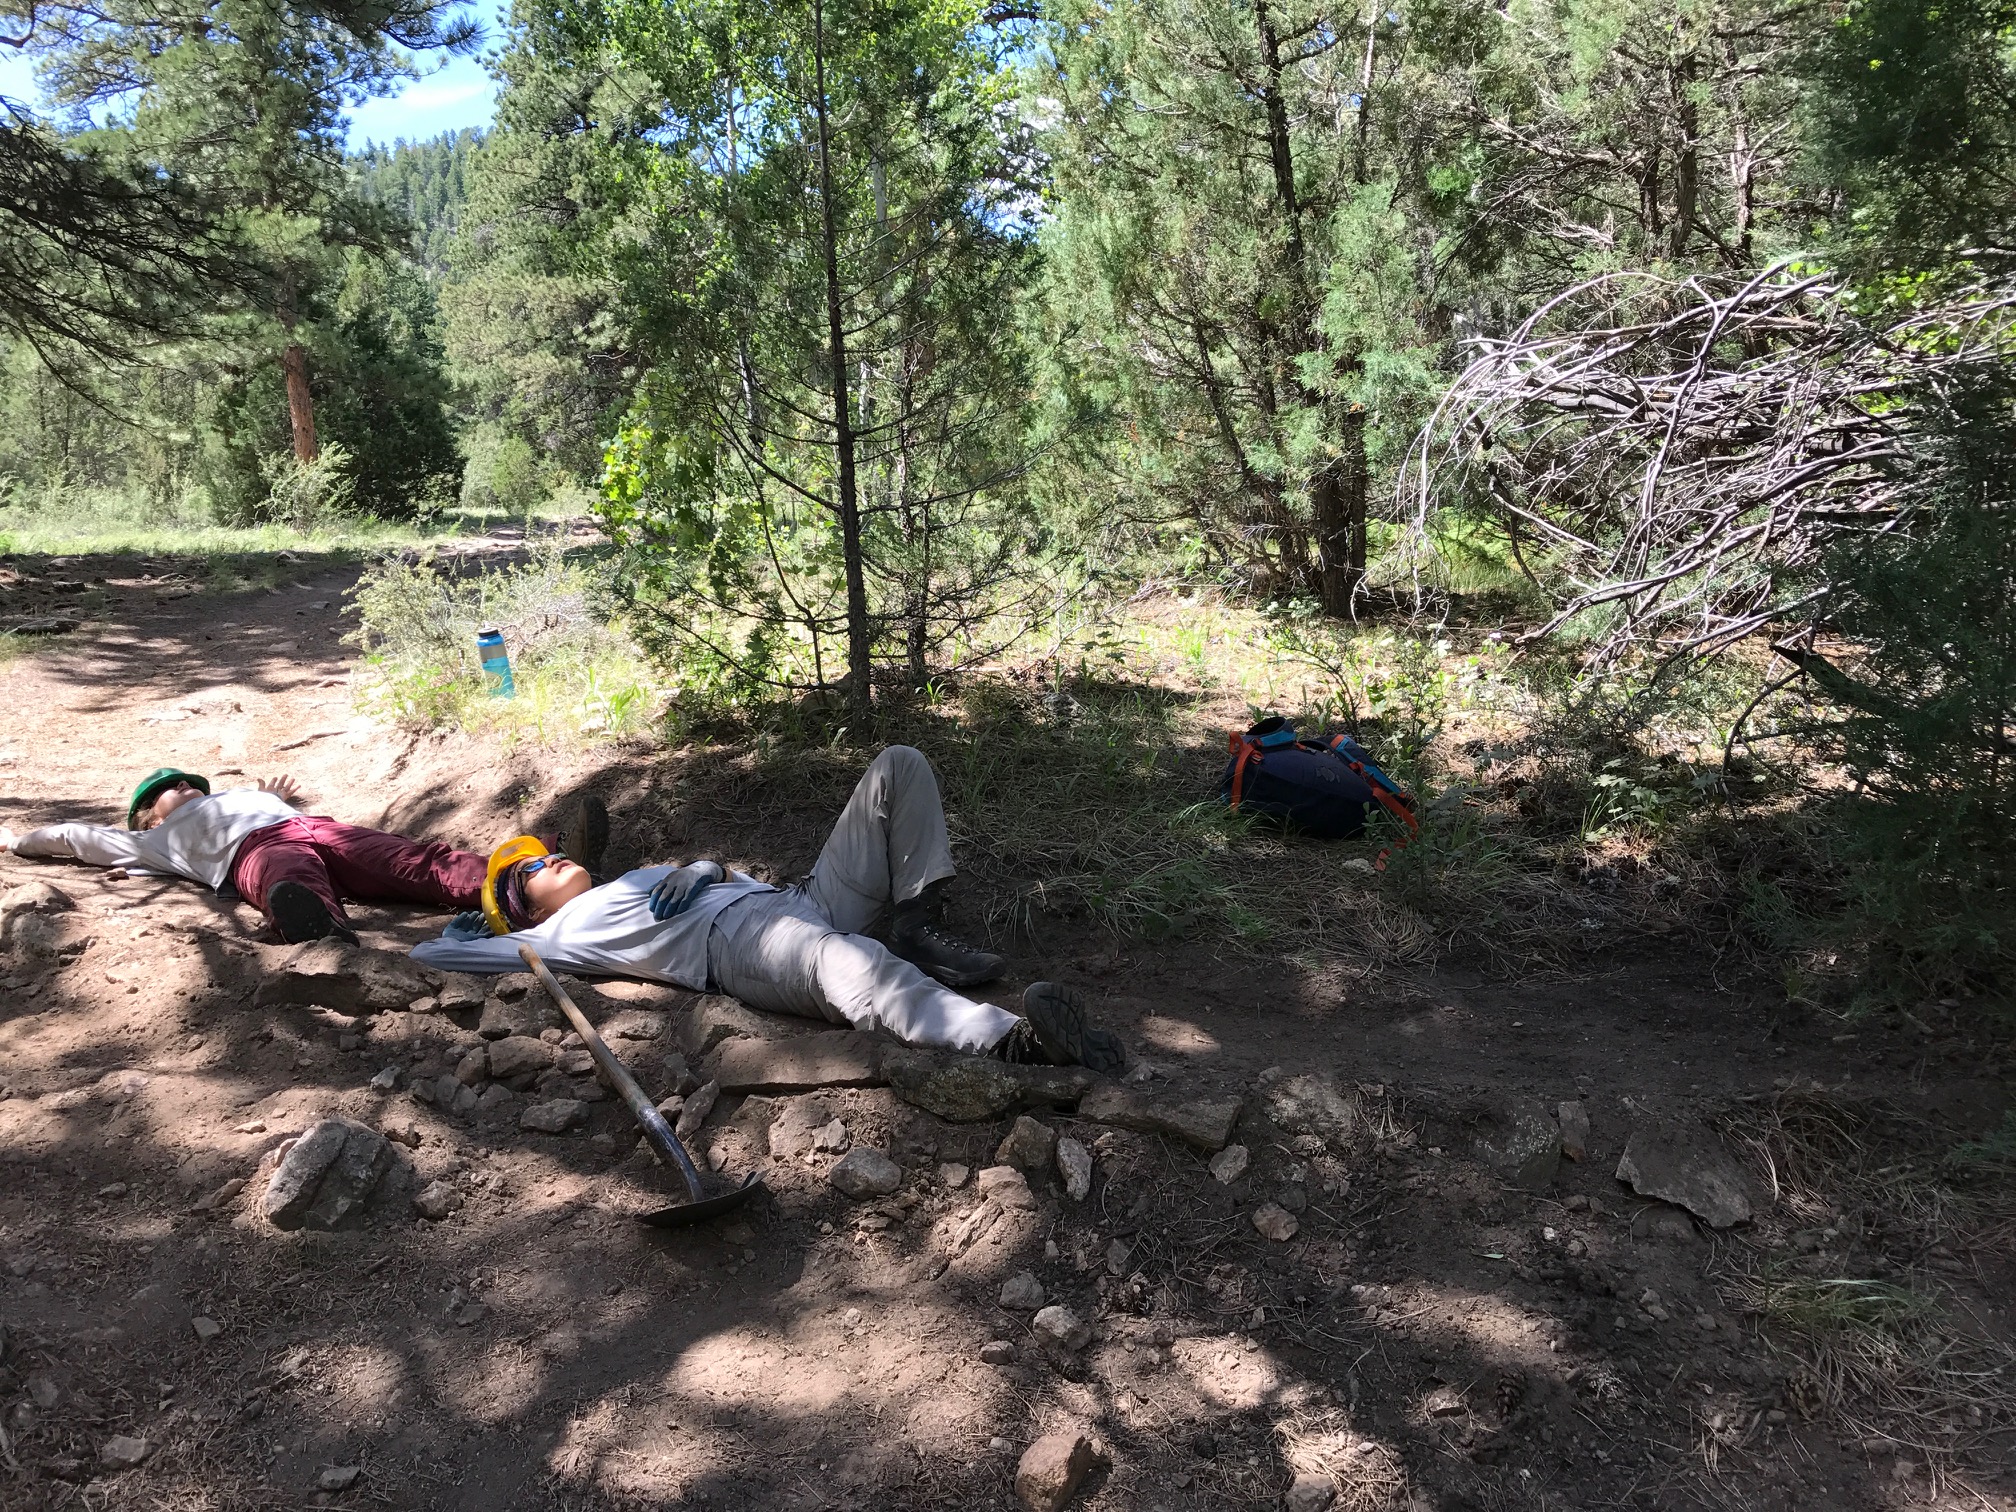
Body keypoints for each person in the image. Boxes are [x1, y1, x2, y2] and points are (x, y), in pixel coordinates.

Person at [412, 745, 1125, 1071]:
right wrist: (457, 931)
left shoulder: (628, 883)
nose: (547, 860)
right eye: (528, 873)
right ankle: (1015, 1044)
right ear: (527, 915)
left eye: (545, 851)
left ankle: (918, 925)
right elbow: (428, 956)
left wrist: (705, 866)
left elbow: (726, 876)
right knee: (849, 964)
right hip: (741, 946)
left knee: (897, 767)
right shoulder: (561, 937)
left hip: (794, 898)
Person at [0, 767, 609, 947]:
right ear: (147, 817)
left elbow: (264, 800)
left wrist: (272, 798)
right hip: (253, 854)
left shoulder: (245, 794)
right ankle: (318, 929)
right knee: (285, 878)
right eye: (169, 791)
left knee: (414, 859)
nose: (185, 789)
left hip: (310, 825)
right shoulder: (149, 844)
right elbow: (77, 838)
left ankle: (536, 879)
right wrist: (16, 841)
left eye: (189, 783)